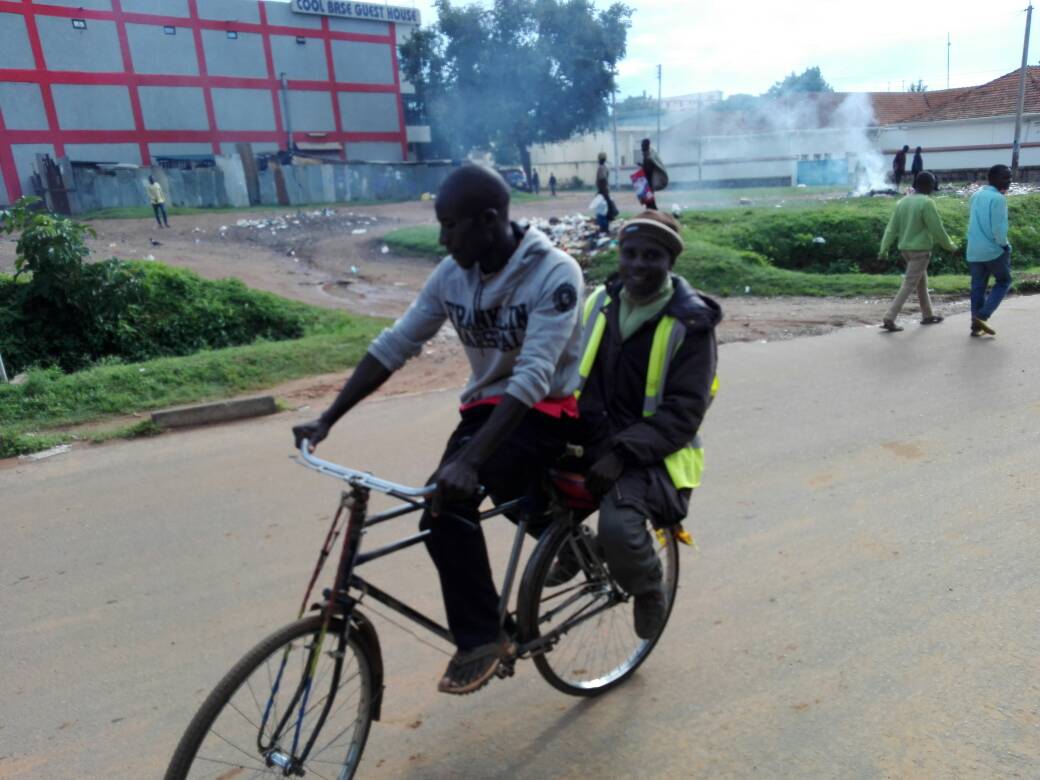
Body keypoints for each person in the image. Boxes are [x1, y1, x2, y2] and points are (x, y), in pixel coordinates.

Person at [292, 165, 584, 695]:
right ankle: (556, 534)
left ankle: (481, 638)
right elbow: (396, 344)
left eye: (450, 225)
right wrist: (328, 418)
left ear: (490, 220)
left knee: (447, 501)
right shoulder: (452, 275)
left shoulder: (555, 274)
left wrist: (471, 461)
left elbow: (536, 376)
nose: (442, 238)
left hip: (543, 409)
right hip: (485, 407)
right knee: (457, 491)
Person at [553, 211, 720, 639]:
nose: (638, 264)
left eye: (652, 255)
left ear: (671, 262)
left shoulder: (691, 324)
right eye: (630, 254)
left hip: (652, 449)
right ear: (619, 256)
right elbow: (567, 368)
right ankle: (578, 549)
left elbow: (685, 410)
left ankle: (648, 588)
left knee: (620, 527)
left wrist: (623, 453)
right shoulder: (597, 303)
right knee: (510, 473)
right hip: (591, 434)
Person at [877, 171, 956, 332]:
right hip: (920, 251)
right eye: (933, 185)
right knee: (909, 284)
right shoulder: (926, 203)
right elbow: (937, 228)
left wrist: (884, 248)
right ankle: (889, 317)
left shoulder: (903, 202)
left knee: (921, 283)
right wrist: (950, 246)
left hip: (905, 250)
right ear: (927, 185)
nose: (934, 188)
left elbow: (891, 228)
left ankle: (928, 315)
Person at [966, 164, 1013, 336]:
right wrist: (1005, 246)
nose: (1009, 181)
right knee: (1004, 281)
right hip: (993, 251)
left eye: (1010, 177)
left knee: (978, 287)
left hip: (974, 250)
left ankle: (976, 326)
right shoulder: (999, 199)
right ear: (993, 179)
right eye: (1005, 177)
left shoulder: (977, 195)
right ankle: (983, 315)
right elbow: (999, 230)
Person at [595, 151, 618, 231]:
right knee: (605, 210)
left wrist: (602, 193)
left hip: (603, 192)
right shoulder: (604, 167)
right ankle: (605, 228)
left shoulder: (601, 168)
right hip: (605, 191)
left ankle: (604, 228)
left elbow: (603, 180)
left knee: (602, 211)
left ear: (599, 159)